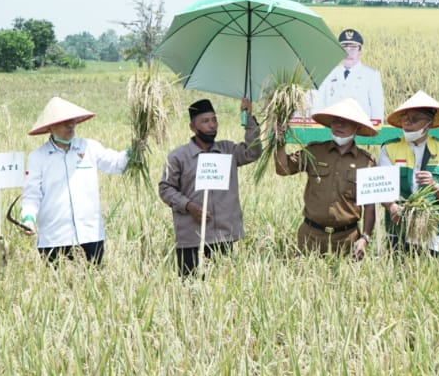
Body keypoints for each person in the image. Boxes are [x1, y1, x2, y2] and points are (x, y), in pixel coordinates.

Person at [158, 97, 261, 276]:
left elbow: (253, 151)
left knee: (221, 293)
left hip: (223, 237)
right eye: (205, 121)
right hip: (191, 238)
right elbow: (165, 189)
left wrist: (249, 118)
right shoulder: (178, 157)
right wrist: (189, 206)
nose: (212, 125)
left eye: (214, 120)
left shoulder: (228, 151)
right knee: (190, 291)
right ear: (192, 127)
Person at [20, 96, 128, 265]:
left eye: (73, 121)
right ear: (51, 127)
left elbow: (115, 163)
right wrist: (28, 218)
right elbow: (32, 194)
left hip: (90, 235)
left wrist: (134, 151)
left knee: (93, 284)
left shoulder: (89, 147)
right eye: (65, 122)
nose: (70, 125)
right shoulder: (38, 157)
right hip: (55, 238)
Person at [274, 98, 378, 257]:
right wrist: (279, 141)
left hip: (347, 240)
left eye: (345, 122)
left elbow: (370, 207)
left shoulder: (366, 162)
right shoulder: (315, 151)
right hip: (311, 237)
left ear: (356, 127)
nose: (339, 125)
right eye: (335, 121)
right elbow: (283, 169)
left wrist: (365, 238)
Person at [376, 91, 439, 255]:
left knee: (431, 273)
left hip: (432, 227)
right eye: (405, 118)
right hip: (398, 223)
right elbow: (381, 187)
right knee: (398, 271)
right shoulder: (389, 148)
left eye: (414, 119)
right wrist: (392, 207)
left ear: (428, 123)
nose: (407, 123)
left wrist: (434, 186)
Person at [311, 29, 385, 121]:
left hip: (360, 129)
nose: (348, 52)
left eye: (353, 48)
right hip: (332, 127)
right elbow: (319, 105)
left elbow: (377, 110)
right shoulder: (329, 74)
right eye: (344, 48)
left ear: (360, 51)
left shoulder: (371, 75)